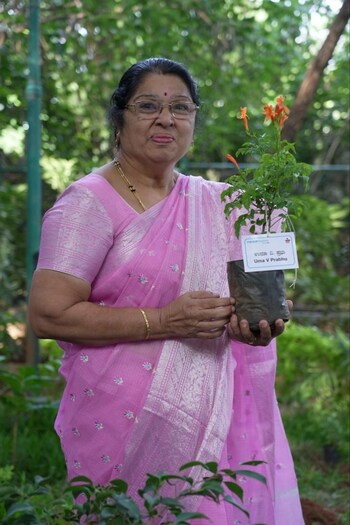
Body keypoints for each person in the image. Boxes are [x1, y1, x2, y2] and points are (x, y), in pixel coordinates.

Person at [28, 57, 305, 525]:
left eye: (180, 107)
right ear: (119, 118)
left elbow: (240, 299)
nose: (166, 118)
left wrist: (250, 325)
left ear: (194, 120)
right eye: (148, 106)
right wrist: (165, 321)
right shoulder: (88, 204)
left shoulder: (217, 204)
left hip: (215, 419)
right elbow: (48, 316)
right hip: (119, 421)